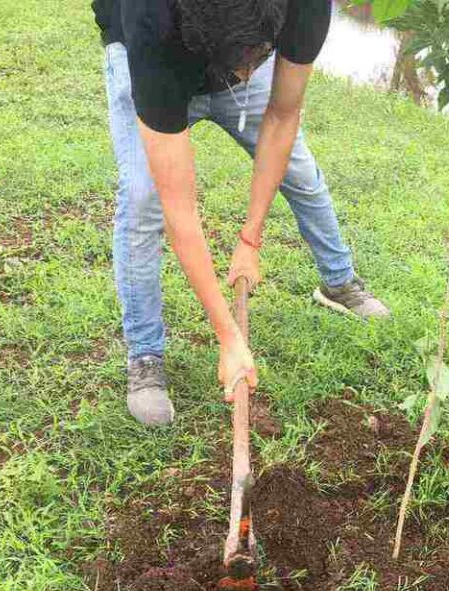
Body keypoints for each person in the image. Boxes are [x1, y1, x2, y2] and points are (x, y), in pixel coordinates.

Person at [93, 0, 390, 427]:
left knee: (299, 170)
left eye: (257, 60)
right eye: (241, 68)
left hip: (239, 36)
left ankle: (339, 281)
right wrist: (227, 334)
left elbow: (282, 114)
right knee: (143, 199)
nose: (247, 79)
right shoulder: (152, 25)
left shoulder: (303, 8)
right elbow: (180, 210)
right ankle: (145, 354)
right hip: (151, 50)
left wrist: (250, 239)